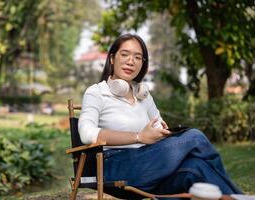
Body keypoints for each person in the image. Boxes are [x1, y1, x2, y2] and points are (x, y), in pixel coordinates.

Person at [78, 33, 242, 198]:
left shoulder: (143, 95)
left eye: (137, 57)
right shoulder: (97, 92)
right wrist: (139, 136)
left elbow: (159, 126)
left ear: (143, 64)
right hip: (116, 166)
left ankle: (236, 197)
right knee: (194, 137)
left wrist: (160, 133)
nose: (130, 61)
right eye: (125, 54)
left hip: (149, 163)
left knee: (196, 166)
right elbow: (86, 134)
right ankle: (240, 197)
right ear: (112, 58)